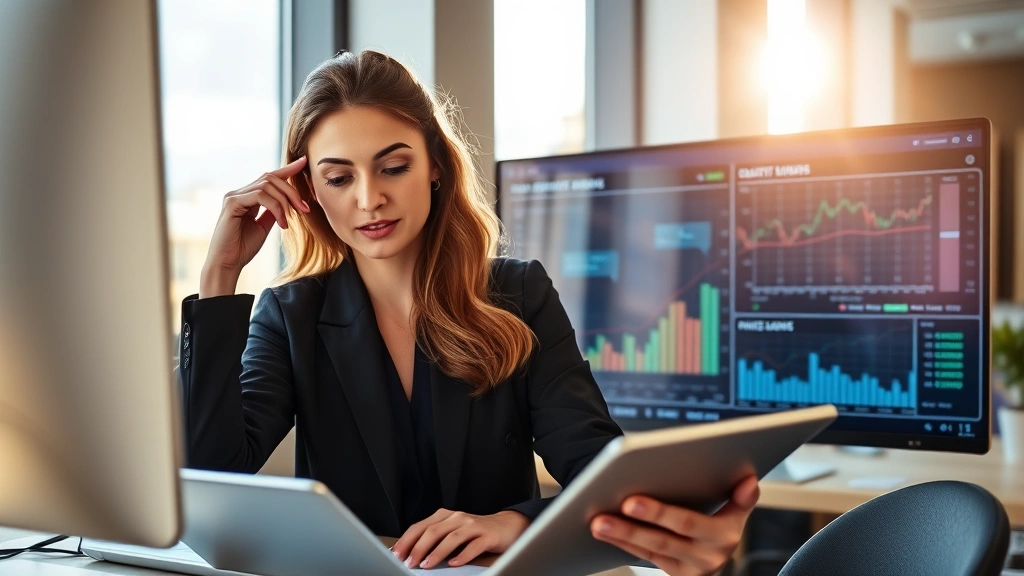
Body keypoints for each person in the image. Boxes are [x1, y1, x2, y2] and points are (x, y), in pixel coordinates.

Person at [179, 49, 759, 574]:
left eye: (394, 166)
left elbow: (597, 471)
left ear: (435, 165)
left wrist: (515, 524)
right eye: (338, 177)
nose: (368, 198)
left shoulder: (518, 294)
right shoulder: (291, 313)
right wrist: (219, 279)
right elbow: (214, 472)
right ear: (307, 190)